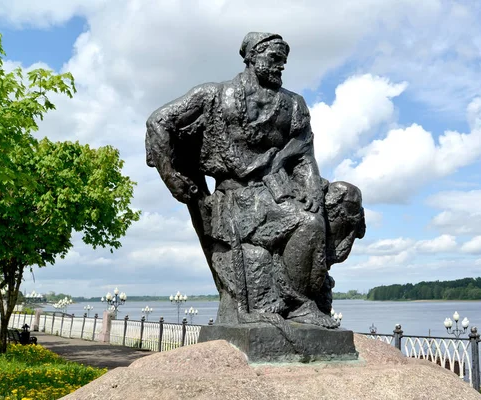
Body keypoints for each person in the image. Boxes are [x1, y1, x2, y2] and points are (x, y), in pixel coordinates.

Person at [146, 32, 364, 329]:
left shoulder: (294, 104)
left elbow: (304, 153)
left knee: (346, 198)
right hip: (238, 196)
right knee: (308, 223)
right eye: (274, 59)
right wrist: (171, 177)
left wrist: (312, 187)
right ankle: (299, 303)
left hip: (280, 186)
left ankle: (312, 286)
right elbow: (159, 121)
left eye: (284, 62)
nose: (280, 66)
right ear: (251, 57)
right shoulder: (213, 94)